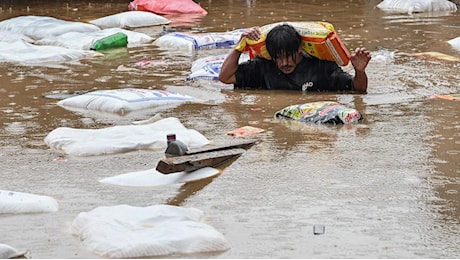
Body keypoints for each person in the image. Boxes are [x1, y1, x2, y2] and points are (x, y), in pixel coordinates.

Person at [218, 24, 371, 93]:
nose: (284, 63)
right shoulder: (262, 67)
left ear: (299, 49)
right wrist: (239, 46)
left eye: (288, 56)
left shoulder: (322, 68)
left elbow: (358, 89)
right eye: (278, 58)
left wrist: (360, 71)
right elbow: (225, 77)